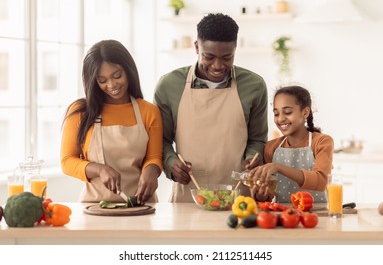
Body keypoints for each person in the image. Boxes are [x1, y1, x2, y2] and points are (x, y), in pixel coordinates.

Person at [154, 13, 268, 202]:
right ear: (197, 47)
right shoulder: (169, 85)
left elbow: (257, 139)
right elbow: (161, 140)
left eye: (227, 57)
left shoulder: (254, 85)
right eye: (209, 56)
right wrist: (170, 163)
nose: (218, 65)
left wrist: (252, 160)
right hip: (188, 194)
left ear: (235, 49)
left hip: (239, 196)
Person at [60, 39, 163, 204]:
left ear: (129, 70)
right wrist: (100, 170)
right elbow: (67, 161)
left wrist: (152, 170)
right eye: (102, 80)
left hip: (141, 205)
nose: (112, 85)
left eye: (117, 75)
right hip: (95, 206)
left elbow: (154, 157)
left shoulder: (148, 111)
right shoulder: (80, 112)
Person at [249, 85, 334, 203]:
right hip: (283, 216)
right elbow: (269, 195)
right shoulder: (271, 147)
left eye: (287, 112)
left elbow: (321, 181)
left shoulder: (321, 142)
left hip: (317, 216)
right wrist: (261, 195)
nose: (280, 119)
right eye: (276, 113)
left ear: (305, 112)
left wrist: (278, 167)